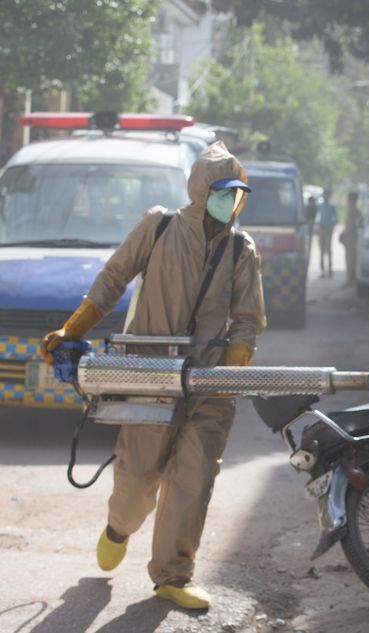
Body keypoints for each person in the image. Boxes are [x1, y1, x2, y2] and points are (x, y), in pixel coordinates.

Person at [38, 141, 266, 610]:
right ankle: (119, 527)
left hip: (207, 382)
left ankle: (173, 574)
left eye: (238, 194)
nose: (231, 202)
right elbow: (114, 277)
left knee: (194, 479)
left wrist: (234, 367)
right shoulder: (159, 226)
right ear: (203, 191)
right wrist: (72, 327)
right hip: (149, 373)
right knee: (138, 478)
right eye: (223, 192)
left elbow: (247, 319)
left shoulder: (241, 250)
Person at [316, 188, 338, 278]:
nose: (325, 196)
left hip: (329, 229)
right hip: (321, 228)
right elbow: (316, 215)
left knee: (328, 249)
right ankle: (322, 270)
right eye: (324, 194)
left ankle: (330, 269)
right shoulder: (320, 205)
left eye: (327, 194)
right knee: (321, 249)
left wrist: (332, 225)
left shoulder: (332, 206)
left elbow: (336, 218)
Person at [341, 190, 361, 285]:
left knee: (350, 258)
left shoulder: (352, 210)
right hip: (352, 236)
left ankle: (351, 280)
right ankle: (352, 279)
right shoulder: (355, 210)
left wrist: (344, 234)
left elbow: (350, 224)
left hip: (351, 236)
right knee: (352, 258)